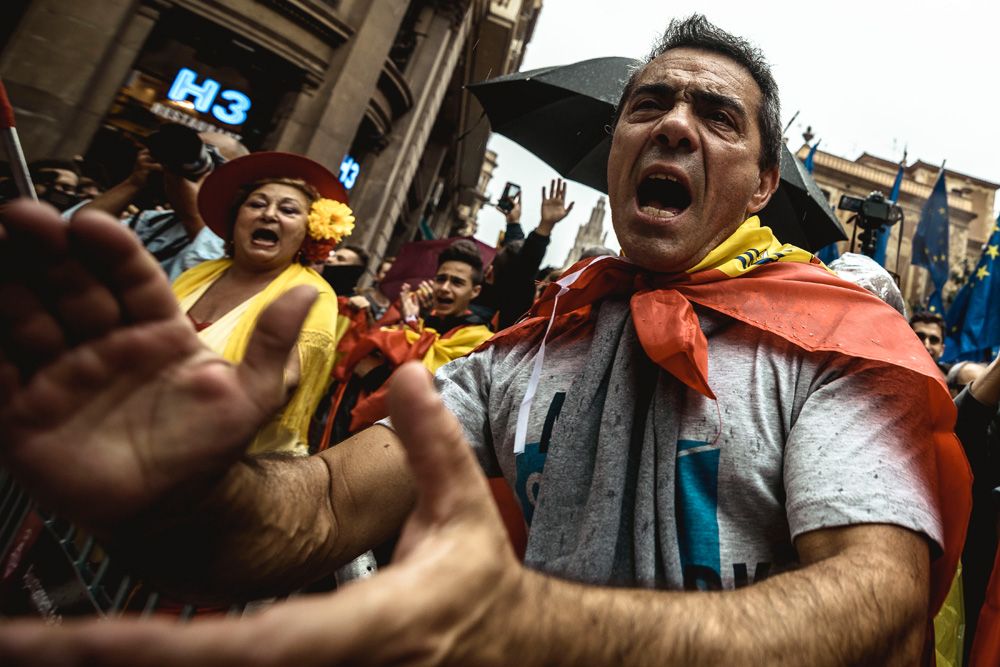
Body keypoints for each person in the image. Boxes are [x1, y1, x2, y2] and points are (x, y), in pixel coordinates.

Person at [0, 15, 971, 666]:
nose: (674, 122)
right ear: (617, 153)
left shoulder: (836, 342)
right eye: (648, 105)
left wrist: (538, 626)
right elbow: (329, 502)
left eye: (716, 117)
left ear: (763, 187)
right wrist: (182, 498)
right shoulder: (529, 345)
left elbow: (877, 590)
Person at [172, 151, 353, 455]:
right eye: (256, 204)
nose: (269, 215)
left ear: (308, 232)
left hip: (224, 461)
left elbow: (285, 380)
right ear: (236, 219)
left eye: (288, 210)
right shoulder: (198, 275)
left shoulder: (313, 293)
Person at [328, 239, 493, 439]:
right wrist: (409, 321)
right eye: (441, 279)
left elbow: (430, 389)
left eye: (457, 282)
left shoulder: (480, 341)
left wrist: (380, 376)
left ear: (475, 291)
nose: (444, 288)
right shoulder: (421, 322)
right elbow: (365, 352)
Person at [75, 130, 249, 281]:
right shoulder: (152, 221)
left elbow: (209, 272)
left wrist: (192, 212)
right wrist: (134, 182)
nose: (190, 156)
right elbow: (76, 230)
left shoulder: (236, 240)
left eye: (209, 155)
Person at [475, 178, 576, 330]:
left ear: (489, 273)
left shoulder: (470, 305)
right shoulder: (513, 313)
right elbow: (520, 260)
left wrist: (517, 224)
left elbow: (521, 261)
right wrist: (544, 226)